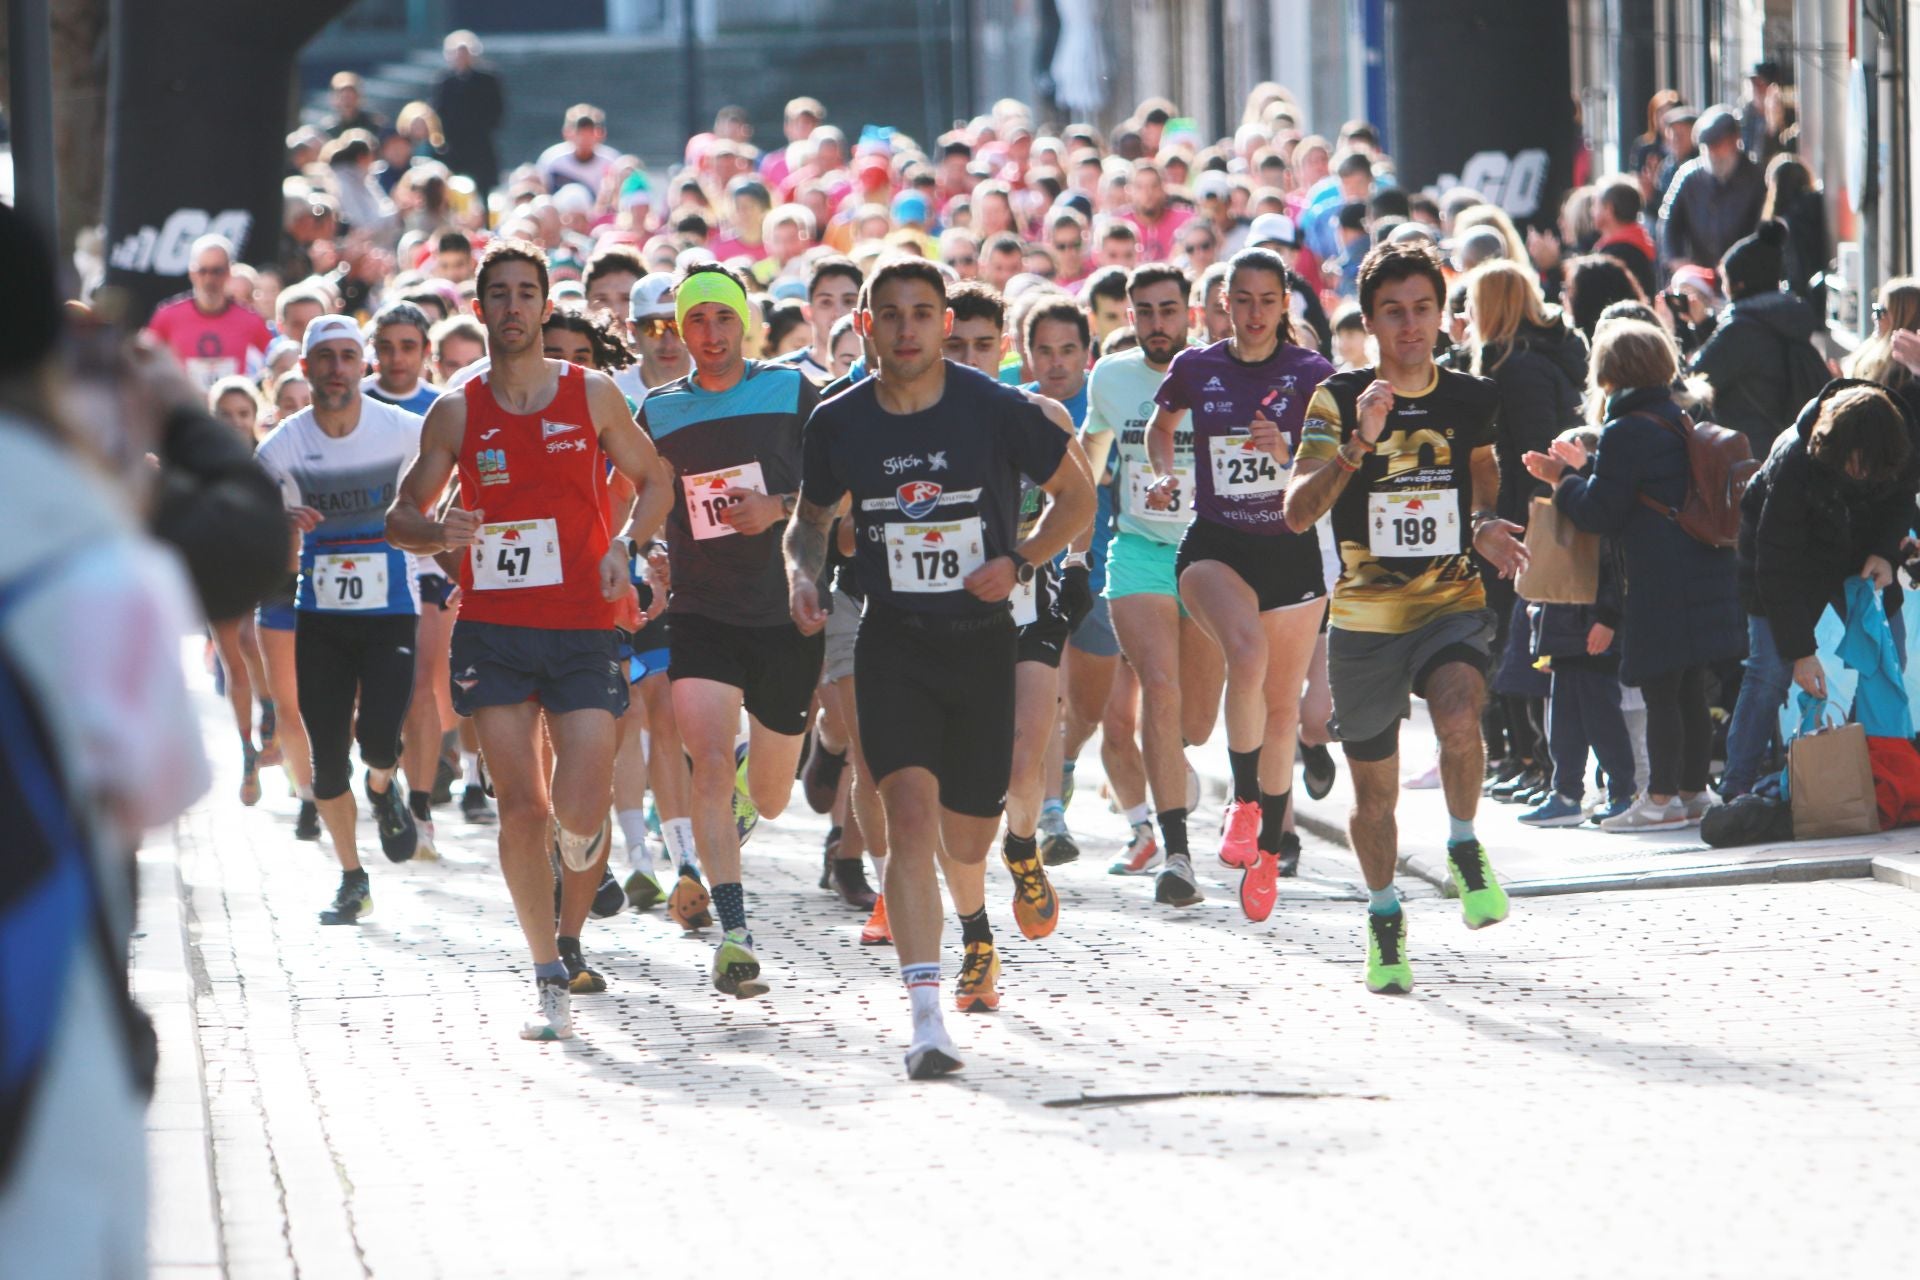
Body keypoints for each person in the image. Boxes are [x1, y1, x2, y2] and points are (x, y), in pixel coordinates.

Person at [784, 256, 1093, 1079]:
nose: (908, 328)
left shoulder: (994, 409)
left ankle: (977, 912)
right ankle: (925, 1021)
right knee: (908, 819)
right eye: (891, 314)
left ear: (944, 323)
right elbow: (809, 521)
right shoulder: (839, 421)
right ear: (869, 326)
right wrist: (803, 577)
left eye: (923, 313)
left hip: (980, 642)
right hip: (893, 639)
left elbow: (1079, 497)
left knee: (968, 829)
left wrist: (1022, 561)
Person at [386, 239, 672, 1041]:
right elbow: (400, 516)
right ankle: (547, 966)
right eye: (499, 295)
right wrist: (436, 530)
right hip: (496, 630)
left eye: (526, 294)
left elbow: (656, 481)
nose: (512, 307)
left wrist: (629, 544)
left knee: (582, 810)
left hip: (584, 623)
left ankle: (572, 924)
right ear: (479, 310)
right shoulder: (456, 407)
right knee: (523, 805)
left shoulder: (594, 394)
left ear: (546, 307)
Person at [1286, 241, 1528, 995]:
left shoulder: (1471, 398)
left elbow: (1482, 484)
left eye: (1423, 308)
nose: (1411, 325)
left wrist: (1486, 524)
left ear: (1441, 314)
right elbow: (1298, 512)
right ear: (1369, 321)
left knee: (1461, 710)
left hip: (1449, 602)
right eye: (1394, 312)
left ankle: (1462, 844)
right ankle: (1385, 916)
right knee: (1377, 797)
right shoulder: (1335, 397)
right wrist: (1359, 439)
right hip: (1363, 622)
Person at [627, 262, 822, 996]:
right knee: (705, 760)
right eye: (695, 322)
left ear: (747, 325)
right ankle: (735, 933)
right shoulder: (659, 410)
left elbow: (839, 486)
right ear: (679, 330)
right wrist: (647, 557)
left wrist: (778, 508)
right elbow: (642, 503)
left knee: (770, 796)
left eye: (722, 320)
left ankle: (743, 802)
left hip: (785, 612)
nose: (709, 335)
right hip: (702, 611)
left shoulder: (792, 390)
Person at [1142, 247, 1335, 917]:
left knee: (1283, 712)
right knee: (1245, 654)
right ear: (1224, 303)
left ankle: (1269, 858)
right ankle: (1245, 802)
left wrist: (1287, 455)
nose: (1254, 313)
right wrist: (1165, 470)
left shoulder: (1313, 374)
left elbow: (1338, 463)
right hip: (1217, 543)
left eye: (1267, 300)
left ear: (1286, 306)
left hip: (1291, 548)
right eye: (1242, 299)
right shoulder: (1196, 367)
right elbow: (1160, 429)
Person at [1522, 319, 1745, 830]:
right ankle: (1693, 790)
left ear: (1612, 371)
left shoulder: (1626, 429)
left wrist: (1565, 478)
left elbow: (1601, 512)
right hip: (1702, 567)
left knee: (1660, 687)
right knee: (1689, 683)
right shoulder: (1678, 418)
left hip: (1659, 575)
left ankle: (1660, 798)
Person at [928, 284, 1079, 1011]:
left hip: (1025, 609)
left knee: (1022, 764)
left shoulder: (1036, 415)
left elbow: (1071, 500)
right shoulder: (910, 421)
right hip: (939, 626)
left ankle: (1023, 844)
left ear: (1004, 349)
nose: (969, 358)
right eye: (957, 345)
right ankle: (976, 937)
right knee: (954, 793)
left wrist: (1042, 558)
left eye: (984, 346)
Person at [254, 317, 432, 922]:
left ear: (365, 366)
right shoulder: (278, 449)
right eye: (323, 358)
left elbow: (454, 485)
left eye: (347, 357)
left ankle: (385, 785)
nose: (335, 368)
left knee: (379, 738)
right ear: (304, 369)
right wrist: (284, 532)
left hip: (390, 613)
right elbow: (262, 555)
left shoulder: (404, 431)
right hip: (320, 618)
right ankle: (352, 877)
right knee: (329, 757)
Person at [1080, 263, 1227, 877]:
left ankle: (1170, 758)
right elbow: (1091, 450)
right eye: (1144, 312)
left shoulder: (1217, 372)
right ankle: (1176, 854)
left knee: (1193, 720)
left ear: (1189, 313)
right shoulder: (1110, 377)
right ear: (1129, 315)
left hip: (1210, 552)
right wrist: (1069, 530)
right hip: (1138, 550)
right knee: (1159, 692)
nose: (1155, 324)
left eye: (1168, 311)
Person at [1721, 382, 1917, 799]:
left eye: (1872, 467)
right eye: (1855, 463)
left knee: (1886, 659)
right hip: (1782, 563)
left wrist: (1885, 554)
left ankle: (1864, 773)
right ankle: (1736, 790)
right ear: (1836, 447)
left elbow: (1902, 504)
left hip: (1858, 558)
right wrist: (1801, 651)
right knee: (1770, 670)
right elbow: (1775, 563)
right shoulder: (1795, 459)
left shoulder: (1897, 444)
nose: (1862, 474)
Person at [1688, 220, 1828, 456]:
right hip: (1787, 449)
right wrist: (1705, 326)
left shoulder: (1740, 330)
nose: (1723, 290)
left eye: (1725, 280)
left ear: (1740, 284)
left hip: (1748, 454)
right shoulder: (1784, 319)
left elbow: (1694, 380)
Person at [144, 234, 273, 391]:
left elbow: (274, 359)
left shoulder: (249, 319)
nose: (209, 279)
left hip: (230, 412)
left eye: (216, 271)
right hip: (186, 410)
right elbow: (145, 362)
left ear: (228, 272)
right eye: (202, 271)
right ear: (192, 273)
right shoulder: (168, 316)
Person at [1659, 105, 1765, 271]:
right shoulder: (1689, 177)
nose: (1713, 154)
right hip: (1702, 272)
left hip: (1744, 273)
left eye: (1718, 145)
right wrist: (1677, 260)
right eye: (1707, 147)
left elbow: (1762, 229)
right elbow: (1669, 221)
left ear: (1735, 140)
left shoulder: (1756, 178)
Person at [431, 30, 505, 196]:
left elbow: (496, 108)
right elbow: (439, 110)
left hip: (480, 143)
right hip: (455, 144)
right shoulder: (445, 81)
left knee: (484, 188)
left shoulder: (488, 79)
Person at [773, 256, 863, 383]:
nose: (838, 313)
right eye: (826, 302)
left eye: (848, 301)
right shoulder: (780, 375)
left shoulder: (880, 371)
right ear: (808, 312)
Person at [1761, 155, 1828, 315]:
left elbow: (1796, 267)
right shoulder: (1817, 205)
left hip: (1804, 302)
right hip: (1822, 291)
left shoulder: (1786, 223)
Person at [538, 104, 619, 197]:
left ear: (601, 133)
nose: (584, 137)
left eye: (590, 131)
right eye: (579, 132)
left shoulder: (612, 160)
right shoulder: (551, 159)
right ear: (567, 133)